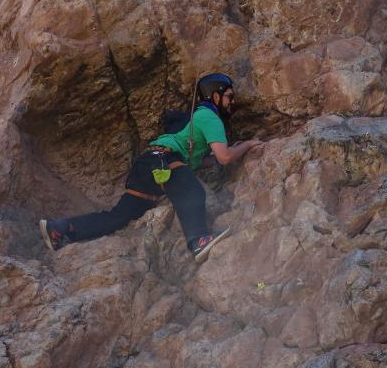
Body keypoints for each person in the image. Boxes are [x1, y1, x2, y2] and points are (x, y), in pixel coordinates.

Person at [40, 73, 262, 262]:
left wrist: (232, 150)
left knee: (118, 217)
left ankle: (61, 228)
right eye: (229, 97)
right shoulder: (209, 117)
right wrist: (249, 145)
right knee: (191, 190)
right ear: (215, 95)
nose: (232, 102)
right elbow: (224, 157)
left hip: (148, 163)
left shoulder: (198, 118)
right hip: (163, 159)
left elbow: (207, 159)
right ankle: (198, 240)